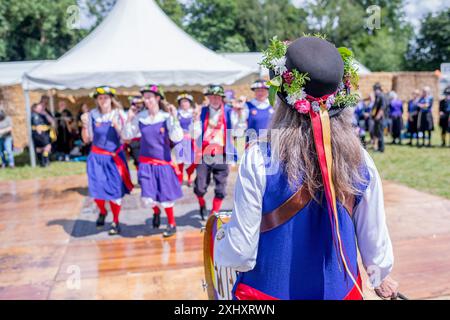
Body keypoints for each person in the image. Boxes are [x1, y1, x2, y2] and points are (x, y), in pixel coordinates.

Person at [214, 36, 397, 300]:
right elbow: (377, 256)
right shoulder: (361, 160)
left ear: (282, 101)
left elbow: (240, 253)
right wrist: (379, 277)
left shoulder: (257, 158)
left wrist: (220, 240)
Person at [123, 85, 183, 238]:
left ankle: (172, 224)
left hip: (163, 163)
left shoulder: (165, 117)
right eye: (145, 97)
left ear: (157, 98)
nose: (147, 100)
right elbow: (127, 135)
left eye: (150, 96)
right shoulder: (140, 117)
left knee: (165, 196)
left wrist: (175, 117)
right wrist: (129, 119)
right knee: (148, 197)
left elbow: (177, 137)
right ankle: (156, 212)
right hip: (146, 164)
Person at [81, 86, 133, 236]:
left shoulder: (119, 115)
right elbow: (86, 139)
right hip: (96, 158)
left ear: (111, 99)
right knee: (97, 191)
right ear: (97, 100)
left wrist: (118, 127)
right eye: (100, 98)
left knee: (115, 191)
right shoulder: (92, 115)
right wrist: (84, 125)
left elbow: (126, 138)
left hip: (114, 158)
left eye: (106, 97)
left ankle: (116, 221)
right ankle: (102, 211)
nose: (103, 100)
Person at [193, 85, 237, 220]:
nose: (215, 99)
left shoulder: (229, 111)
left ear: (222, 98)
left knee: (221, 188)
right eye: (212, 96)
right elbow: (194, 133)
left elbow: (237, 130)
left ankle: (213, 214)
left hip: (221, 153)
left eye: (218, 96)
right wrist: (195, 119)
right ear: (208, 98)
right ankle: (201, 204)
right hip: (204, 153)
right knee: (200, 187)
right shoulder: (202, 111)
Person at [174, 93, 198, 186]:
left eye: (186, 102)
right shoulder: (177, 113)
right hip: (179, 140)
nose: (184, 104)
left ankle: (189, 178)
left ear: (190, 103)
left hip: (190, 140)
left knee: (191, 160)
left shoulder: (193, 113)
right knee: (180, 160)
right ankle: (180, 179)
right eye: (182, 102)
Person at [31, 102, 55, 167]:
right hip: (40, 134)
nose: (41, 108)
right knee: (47, 147)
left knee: (40, 149)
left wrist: (45, 113)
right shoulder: (35, 115)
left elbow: (52, 121)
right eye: (39, 107)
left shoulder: (42, 114)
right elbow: (38, 126)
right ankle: (45, 161)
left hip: (42, 134)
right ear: (34, 108)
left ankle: (42, 162)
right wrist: (40, 136)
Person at [125, 96, 144, 171]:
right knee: (138, 161)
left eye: (140, 103)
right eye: (136, 104)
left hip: (145, 140)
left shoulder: (146, 113)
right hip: (134, 141)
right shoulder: (129, 113)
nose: (138, 105)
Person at [371, 83, 387, 152]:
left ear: (378, 89)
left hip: (380, 118)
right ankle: (379, 147)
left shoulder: (381, 96)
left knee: (380, 133)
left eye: (375, 89)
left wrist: (378, 116)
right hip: (376, 118)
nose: (374, 91)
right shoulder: (377, 96)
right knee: (377, 133)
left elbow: (382, 108)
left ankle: (381, 149)